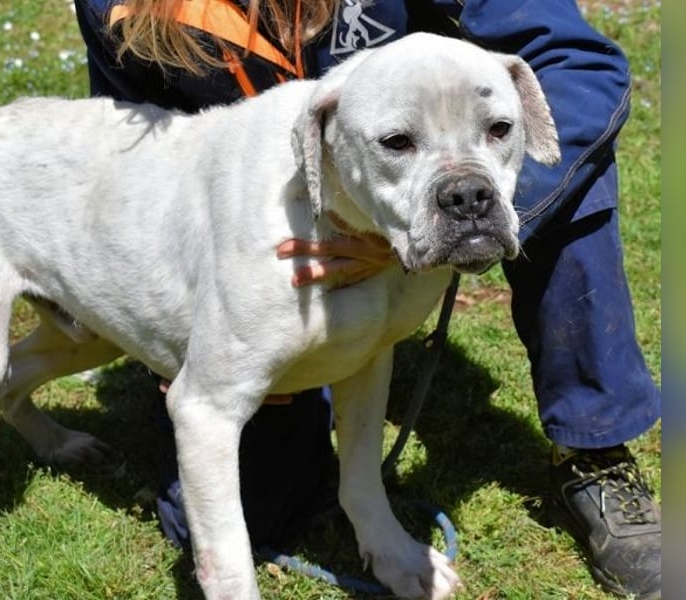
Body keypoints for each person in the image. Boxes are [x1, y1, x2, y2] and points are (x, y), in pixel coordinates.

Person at [72, 0, 661, 597]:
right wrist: (181, 317)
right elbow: (145, 142)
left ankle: (595, 448)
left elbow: (576, 64)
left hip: (418, 188)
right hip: (263, 218)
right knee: (262, 505)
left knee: (571, 174)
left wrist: (496, 207)